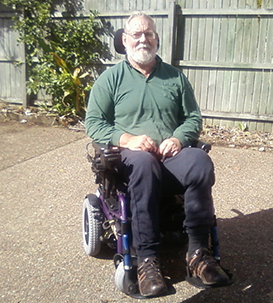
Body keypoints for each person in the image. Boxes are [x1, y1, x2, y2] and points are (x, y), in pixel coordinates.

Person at [85, 12, 228, 297]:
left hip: (171, 158)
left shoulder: (175, 77)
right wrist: (127, 138)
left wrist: (178, 138)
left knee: (200, 162)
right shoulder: (110, 80)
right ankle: (147, 260)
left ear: (157, 39)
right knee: (143, 162)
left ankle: (198, 253)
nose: (143, 39)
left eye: (148, 33)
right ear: (124, 41)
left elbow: (192, 119)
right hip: (131, 161)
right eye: (136, 34)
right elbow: (94, 123)